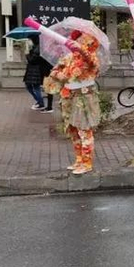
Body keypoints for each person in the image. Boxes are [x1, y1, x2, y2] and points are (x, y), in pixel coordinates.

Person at [44, 29, 103, 175]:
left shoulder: (92, 58)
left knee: (84, 130)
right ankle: (78, 159)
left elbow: (91, 61)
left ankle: (87, 163)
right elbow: (54, 71)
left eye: (84, 41)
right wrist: (60, 75)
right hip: (68, 97)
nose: (79, 43)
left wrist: (82, 50)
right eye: (78, 40)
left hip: (84, 98)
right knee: (73, 130)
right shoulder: (68, 58)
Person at [23, 37, 45, 111]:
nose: (30, 41)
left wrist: (27, 55)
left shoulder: (37, 49)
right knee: (30, 86)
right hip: (32, 70)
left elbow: (32, 60)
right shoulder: (35, 48)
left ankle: (40, 103)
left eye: (30, 40)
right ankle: (39, 101)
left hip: (34, 70)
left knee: (35, 87)